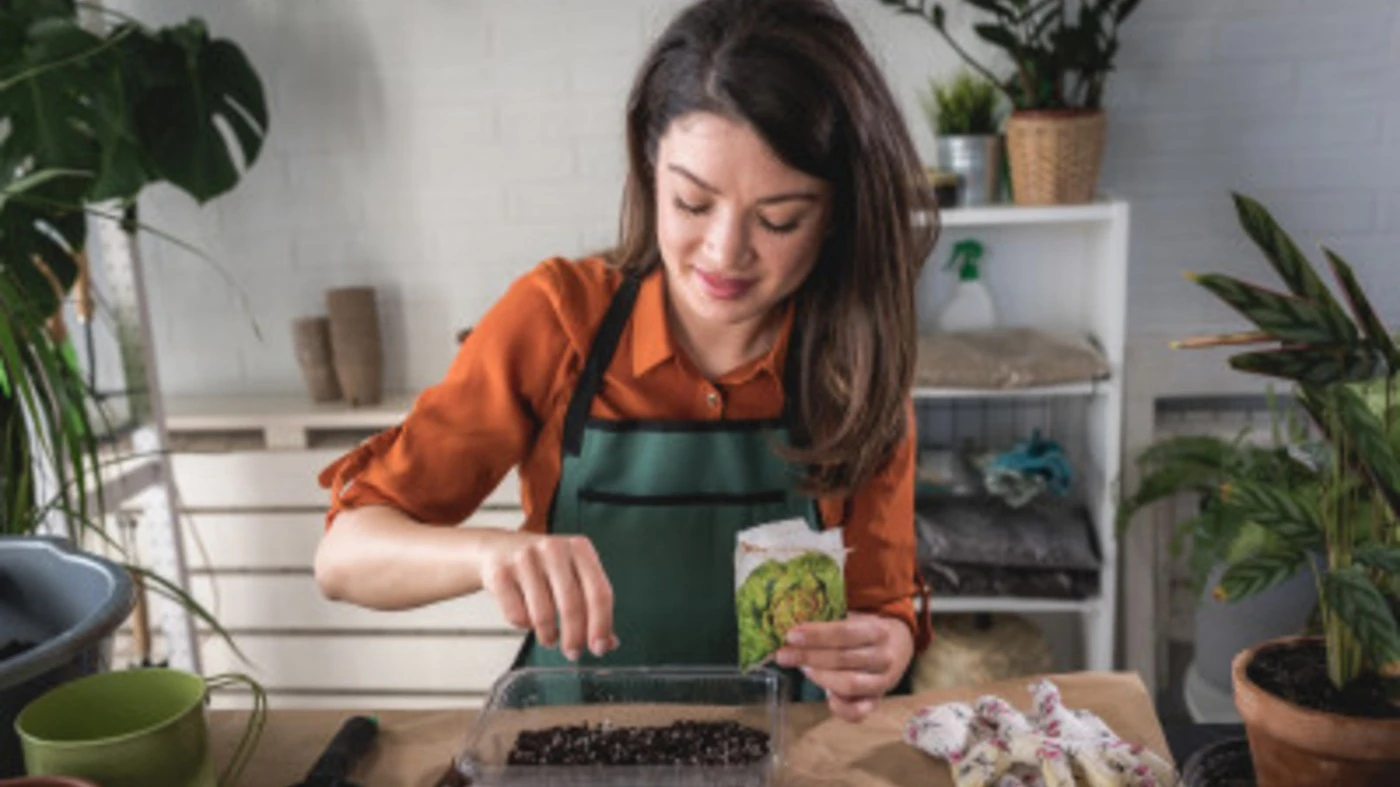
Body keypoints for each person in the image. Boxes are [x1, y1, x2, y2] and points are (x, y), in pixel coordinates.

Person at [314, 0, 937, 723]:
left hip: (782, 754)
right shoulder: (558, 322)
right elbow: (343, 558)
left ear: (839, 214)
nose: (724, 252)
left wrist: (882, 643)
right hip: (574, 744)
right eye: (692, 202)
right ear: (649, 167)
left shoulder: (855, 369)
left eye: (778, 219)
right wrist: (488, 555)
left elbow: (882, 606)